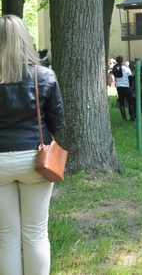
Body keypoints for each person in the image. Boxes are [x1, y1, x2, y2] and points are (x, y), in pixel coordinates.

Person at [0, 14, 65, 275]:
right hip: (35, 161)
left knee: (6, 237)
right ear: (26, 39)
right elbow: (57, 121)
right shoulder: (44, 76)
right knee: (36, 233)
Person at [113, 56, 136, 121]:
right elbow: (130, 78)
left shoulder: (115, 68)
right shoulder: (126, 68)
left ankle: (124, 117)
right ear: (122, 60)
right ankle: (132, 117)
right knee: (131, 102)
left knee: (121, 102)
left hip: (119, 86)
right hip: (126, 86)